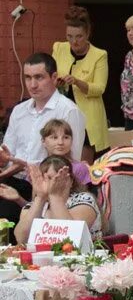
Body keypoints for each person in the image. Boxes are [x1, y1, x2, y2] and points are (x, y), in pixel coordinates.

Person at [0, 53, 85, 237]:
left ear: (54, 78)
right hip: (14, 178)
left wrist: (28, 167)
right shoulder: (19, 110)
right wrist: (4, 161)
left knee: (5, 213)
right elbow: (8, 154)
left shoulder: (68, 110)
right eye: (28, 78)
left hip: (47, 184)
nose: (32, 84)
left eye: (39, 77)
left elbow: (70, 162)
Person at [52, 6, 109, 161]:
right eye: (69, 36)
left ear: (88, 33)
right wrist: (56, 81)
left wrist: (77, 82)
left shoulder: (99, 55)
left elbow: (99, 88)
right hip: (62, 114)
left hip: (87, 118)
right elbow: (51, 74)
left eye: (79, 36)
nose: (74, 41)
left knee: (83, 168)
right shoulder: (59, 48)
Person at [0, 119, 91, 214]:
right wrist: (18, 198)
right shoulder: (37, 169)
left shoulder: (80, 167)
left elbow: (85, 203)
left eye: (66, 137)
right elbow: (34, 208)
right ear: (43, 141)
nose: (60, 142)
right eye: (54, 137)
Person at [13, 155, 102, 244]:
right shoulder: (32, 206)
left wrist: (55, 196)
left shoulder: (85, 199)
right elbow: (21, 239)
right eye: (49, 178)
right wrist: (40, 198)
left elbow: (72, 239)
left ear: (71, 181)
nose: (54, 183)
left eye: (59, 178)